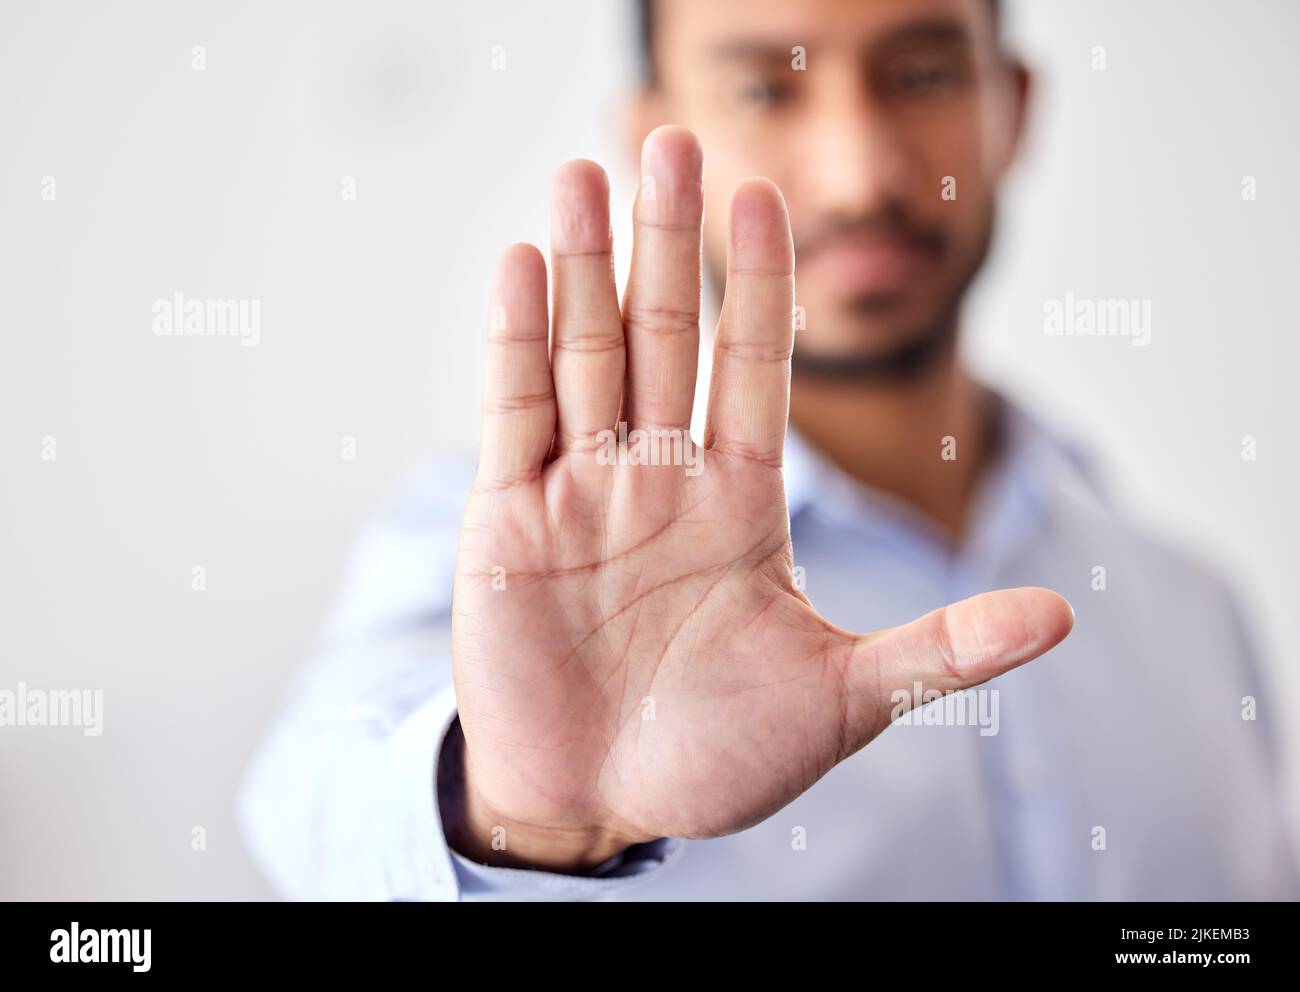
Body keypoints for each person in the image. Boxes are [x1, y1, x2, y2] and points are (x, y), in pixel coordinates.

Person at [238, 0, 1298, 899]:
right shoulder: (505, 554)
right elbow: (306, 803)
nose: (857, 174)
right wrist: (525, 815)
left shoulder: (1189, 607)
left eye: (922, 74)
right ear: (656, 128)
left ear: (1010, 111)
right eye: (765, 89)